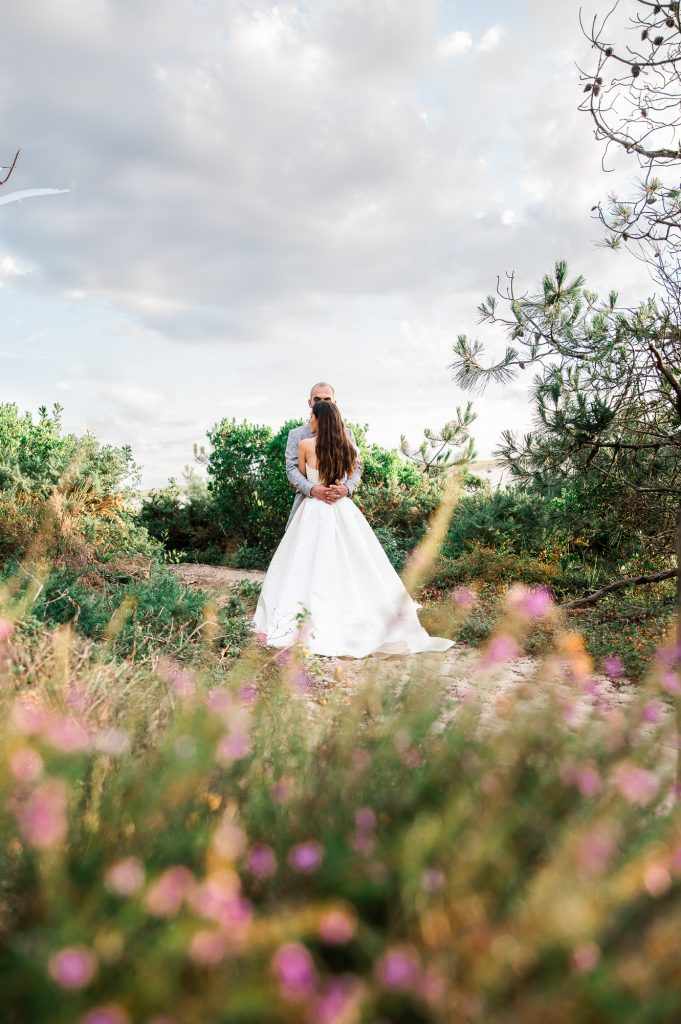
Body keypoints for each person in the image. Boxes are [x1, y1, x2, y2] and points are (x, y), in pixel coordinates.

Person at [253, 393, 454, 658]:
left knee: (306, 562)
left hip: (314, 509)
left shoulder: (305, 445)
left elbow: (300, 474)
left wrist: (318, 487)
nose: (309, 420)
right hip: (341, 508)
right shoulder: (349, 446)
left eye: (312, 416)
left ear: (319, 419)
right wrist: (341, 488)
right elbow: (353, 472)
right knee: (354, 560)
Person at [283, 381, 362, 530]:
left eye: (327, 399)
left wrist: (346, 488)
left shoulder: (347, 433)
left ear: (335, 403)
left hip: (340, 505)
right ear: (310, 403)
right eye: (317, 399)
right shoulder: (296, 435)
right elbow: (291, 469)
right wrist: (312, 489)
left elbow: (356, 467)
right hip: (306, 505)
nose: (322, 403)